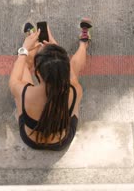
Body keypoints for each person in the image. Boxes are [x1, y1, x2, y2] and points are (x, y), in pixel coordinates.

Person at [8, 18, 92, 151]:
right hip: (60, 141)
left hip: (31, 140)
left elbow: (16, 71)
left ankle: (33, 42)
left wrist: (24, 49)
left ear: (38, 73)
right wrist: (58, 51)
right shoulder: (75, 90)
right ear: (65, 70)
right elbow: (67, 72)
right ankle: (84, 43)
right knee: (74, 73)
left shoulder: (23, 92)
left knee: (22, 65)